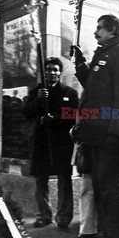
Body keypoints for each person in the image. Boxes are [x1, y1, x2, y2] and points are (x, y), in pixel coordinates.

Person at [71, 14, 119, 238]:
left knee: (112, 191)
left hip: (109, 136)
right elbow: (92, 86)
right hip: (96, 135)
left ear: (112, 30)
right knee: (101, 191)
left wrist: (117, 134)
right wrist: (80, 63)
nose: (95, 32)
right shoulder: (106, 53)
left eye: (100, 28)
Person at [23, 57, 78, 228]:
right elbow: (26, 112)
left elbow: (72, 116)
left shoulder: (69, 92)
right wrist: (39, 100)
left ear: (60, 72)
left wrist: (54, 120)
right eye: (48, 70)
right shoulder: (36, 92)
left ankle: (63, 216)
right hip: (41, 142)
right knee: (41, 180)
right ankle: (43, 215)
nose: (51, 73)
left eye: (55, 69)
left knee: (64, 179)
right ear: (44, 73)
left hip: (61, 142)